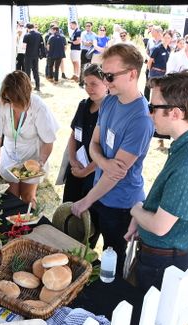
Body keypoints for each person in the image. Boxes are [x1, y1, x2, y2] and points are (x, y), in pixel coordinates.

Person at [124, 71, 188, 293]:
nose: (149, 114)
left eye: (153, 107)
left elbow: (160, 226)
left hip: (163, 263)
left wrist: (136, 210)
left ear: (175, 113)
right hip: (166, 255)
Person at [71, 44, 154, 275]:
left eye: (110, 76)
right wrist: (105, 162)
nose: (105, 81)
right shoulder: (108, 101)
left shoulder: (141, 119)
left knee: (112, 266)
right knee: (85, 254)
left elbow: (117, 175)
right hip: (99, 192)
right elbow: (93, 144)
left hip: (120, 205)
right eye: (103, 74)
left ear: (132, 74)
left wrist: (86, 200)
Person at [0, 71, 59, 206]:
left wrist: (40, 163)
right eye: (9, 100)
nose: (12, 105)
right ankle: (14, 226)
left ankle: (30, 225)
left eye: (16, 100)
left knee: (28, 197)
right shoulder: (0, 104)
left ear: (26, 95)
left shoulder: (39, 107)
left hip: (33, 156)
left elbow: (48, 141)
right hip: (9, 154)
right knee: (11, 196)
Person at [61, 64, 107, 247]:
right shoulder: (83, 106)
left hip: (95, 177)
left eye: (94, 84)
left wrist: (88, 170)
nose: (89, 89)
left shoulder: (110, 111)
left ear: (106, 83)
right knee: (69, 214)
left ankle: (84, 255)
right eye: (86, 84)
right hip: (76, 170)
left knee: (89, 224)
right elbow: (74, 135)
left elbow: (108, 151)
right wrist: (73, 161)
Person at [23, 23, 43, 92]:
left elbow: (24, 47)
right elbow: (41, 45)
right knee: (35, 71)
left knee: (27, 72)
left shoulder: (27, 35)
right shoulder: (39, 34)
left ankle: (28, 88)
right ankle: (37, 86)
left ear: (27, 28)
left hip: (28, 55)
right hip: (36, 56)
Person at [79, 22, 96, 88]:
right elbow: (85, 43)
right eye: (86, 26)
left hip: (91, 52)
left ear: (91, 26)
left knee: (90, 68)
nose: (87, 27)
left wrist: (90, 42)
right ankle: (81, 83)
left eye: (89, 26)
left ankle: (88, 83)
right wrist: (90, 42)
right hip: (84, 51)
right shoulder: (83, 33)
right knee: (83, 67)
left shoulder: (94, 34)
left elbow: (94, 43)